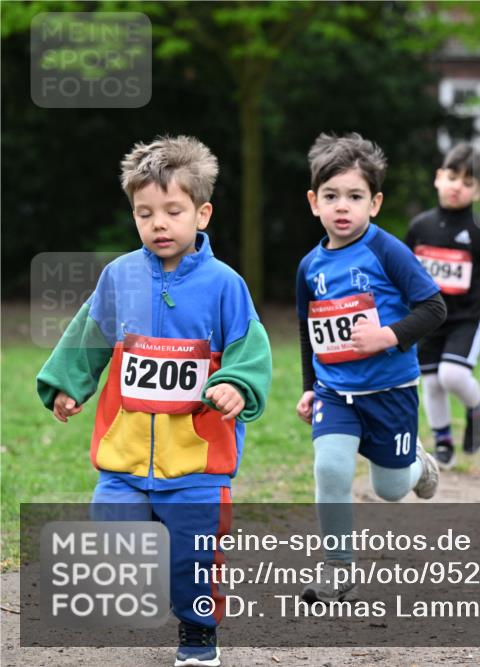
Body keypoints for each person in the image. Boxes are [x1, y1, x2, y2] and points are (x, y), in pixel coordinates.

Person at [36, 135, 273, 667]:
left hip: (197, 463)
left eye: (173, 211)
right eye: (145, 213)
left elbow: (250, 347)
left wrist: (237, 382)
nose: (158, 223)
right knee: (112, 527)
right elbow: (88, 335)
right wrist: (67, 385)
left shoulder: (224, 285)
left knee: (194, 557)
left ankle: (197, 637)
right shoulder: (119, 276)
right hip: (124, 458)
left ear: (202, 213)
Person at [295, 133, 447, 603]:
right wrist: (309, 386)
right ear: (313, 202)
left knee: (390, 488)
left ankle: (419, 465)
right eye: (331, 196)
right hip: (336, 392)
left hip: (391, 390)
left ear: (375, 203)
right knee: (331, 469)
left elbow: (434, 308)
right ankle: (338, 570)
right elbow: (308, 328)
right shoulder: (309, 266)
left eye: (355, 197)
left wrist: (388, 335)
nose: (343, 207)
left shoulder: (388, 251)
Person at [405, 143, 480, 467]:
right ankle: (442, 440)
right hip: (427, 317)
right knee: (430, 381)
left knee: (452, 375)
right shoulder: (420, 227)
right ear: (438, 178)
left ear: (478, 191)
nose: (458, 186)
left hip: (466, 318)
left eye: (468, 182)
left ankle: (479, 408)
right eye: (453, 177)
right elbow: (402, 271)